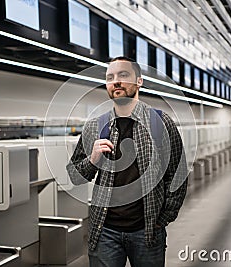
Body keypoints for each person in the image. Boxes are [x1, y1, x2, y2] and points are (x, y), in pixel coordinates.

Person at [66, 56, 188, 267]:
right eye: (110, 77)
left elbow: (178, 174)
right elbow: (74, 175)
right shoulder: (96, 126)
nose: (116, 82)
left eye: (123, 75)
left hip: (147, 231)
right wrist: (93, 160)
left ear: (139, 81)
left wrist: (163, 219)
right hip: (104, 232)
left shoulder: (160, 123)